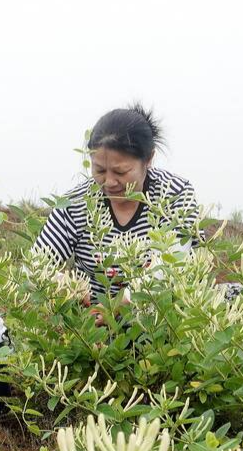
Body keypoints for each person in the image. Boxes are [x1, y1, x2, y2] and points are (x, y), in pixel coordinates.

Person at [33, 104, 202, 316]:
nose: (110, 182)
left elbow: (172, 264)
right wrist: (63, 285)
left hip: (160, 323)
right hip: (94, 332)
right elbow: (34, 267)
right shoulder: (75, 203)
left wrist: (117, 306)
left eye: (121, 171)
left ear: (148, 159)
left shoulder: (175, 194)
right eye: (100, 170)